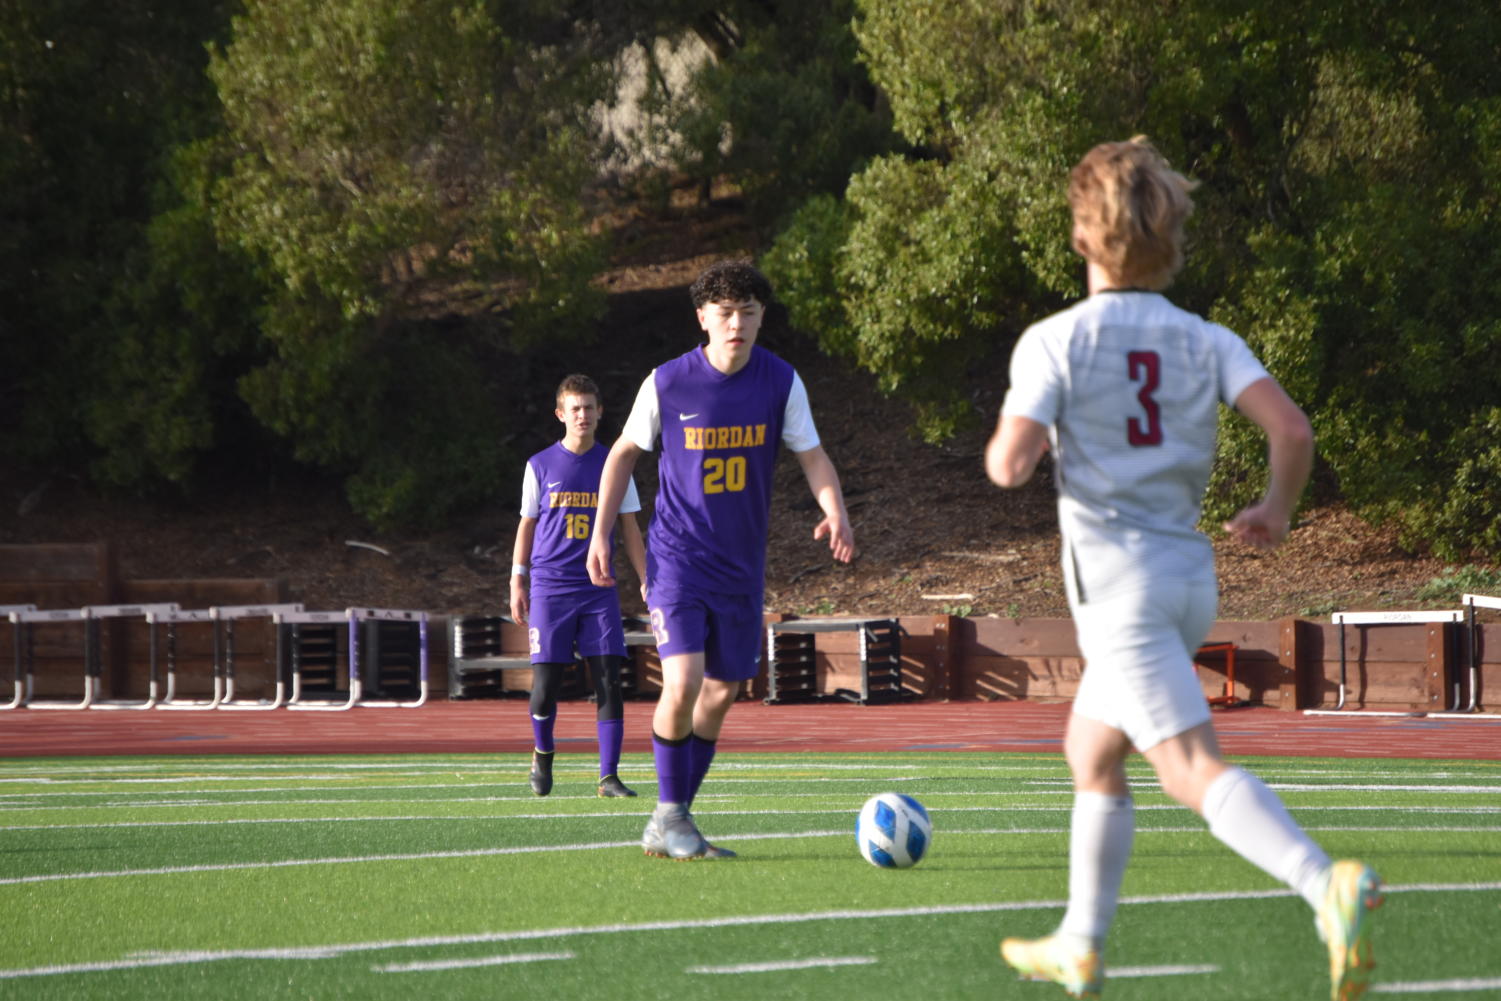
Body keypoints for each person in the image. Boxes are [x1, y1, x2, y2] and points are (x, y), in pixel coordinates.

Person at [985, 137, 1381, 1001]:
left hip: (1117, 593)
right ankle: (1079, 943)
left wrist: (1035, 435)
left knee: (1185, 768)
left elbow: (1007, 466)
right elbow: (1292, 430)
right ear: (1168, 235)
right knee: (1089, 749)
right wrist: (1275, 509)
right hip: (1186, 579)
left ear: (1083, 236)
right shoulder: (1204, 337)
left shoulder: (1053, 341)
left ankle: (1325, 885)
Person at [586, 259, 855, 860]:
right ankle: (672, 816)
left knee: (724, 689)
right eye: (725, 313)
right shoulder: (668, 382)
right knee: (682, 680)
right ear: (703, 318)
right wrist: (601, 534)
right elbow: (623, 454)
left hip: (741, 568)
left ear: (761, 320)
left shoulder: (781, 381)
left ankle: (672, 817)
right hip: (677, 560)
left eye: (749, 313)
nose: (736, 324)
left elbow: (812, 455)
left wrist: (834, 510)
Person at [510, 374, 648, 799]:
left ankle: (608, 776)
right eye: (575, 408)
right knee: (546, 685)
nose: (583, 415)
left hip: (598, 587)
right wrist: (518, 578)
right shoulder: (539, 465)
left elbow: (630, 528)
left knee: (608, 679)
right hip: (551, 587)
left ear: (600, 411)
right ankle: (543, 753)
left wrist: (647, 581)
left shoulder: (616, 463)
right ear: (560, 414)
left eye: (589, 407)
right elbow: (527, 524)